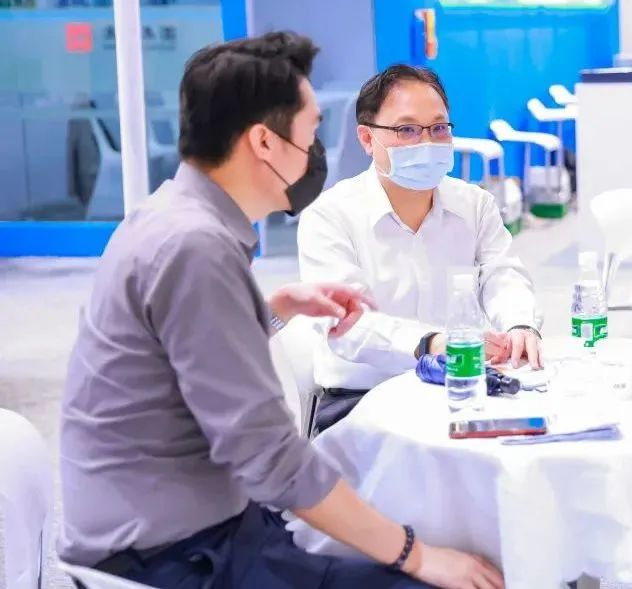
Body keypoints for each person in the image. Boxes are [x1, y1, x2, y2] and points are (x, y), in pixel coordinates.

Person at [59, 32, 504, 589]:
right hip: (177, 555)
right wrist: (417, 556)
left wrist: (267, 309)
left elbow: (184, 353)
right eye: (312, 129)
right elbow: (271, 459)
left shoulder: (175, 219)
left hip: (201, 524)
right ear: (265, 143)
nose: (318, 150)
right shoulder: (194, 249)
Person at [298, 64, 540, 432]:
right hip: (360, 401)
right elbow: (345, 324)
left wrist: (519, 324)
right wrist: (432, 343)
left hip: (458, 387)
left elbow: (503, 274)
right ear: (367, 138)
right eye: (407, 130)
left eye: (439, 128)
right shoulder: (329, 216)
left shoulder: (474, 205)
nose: (427, 143)